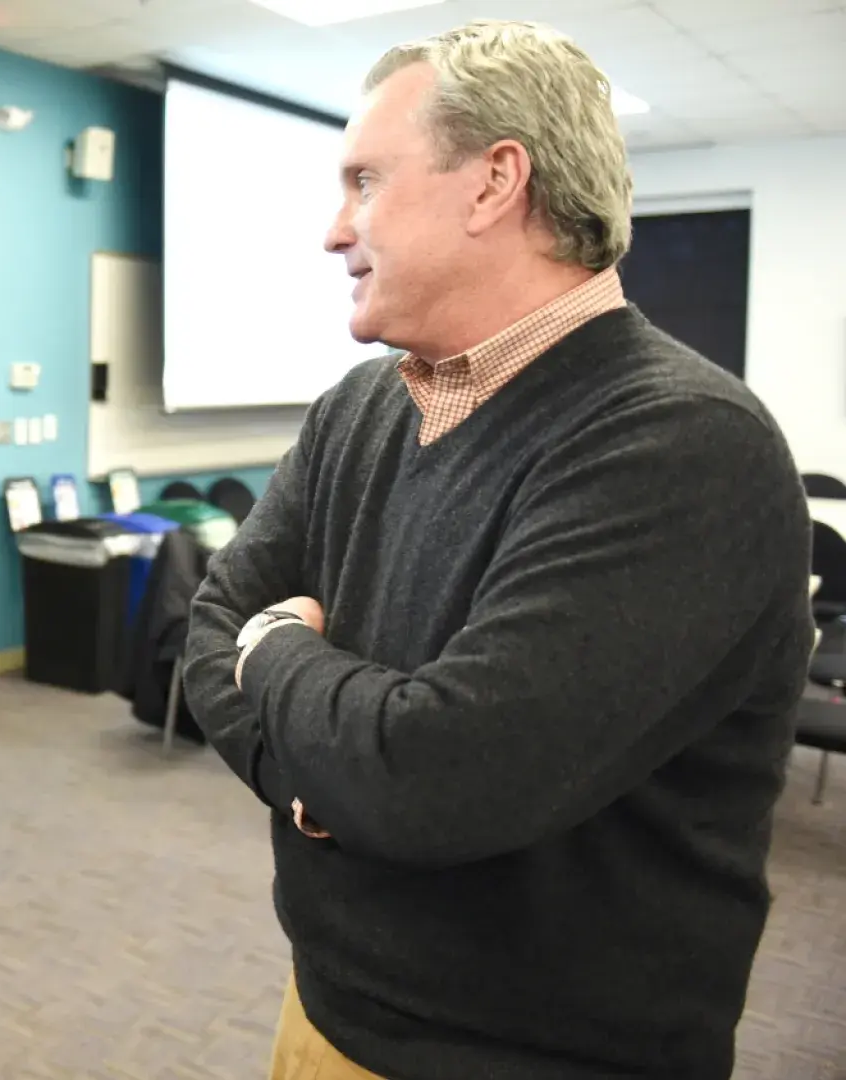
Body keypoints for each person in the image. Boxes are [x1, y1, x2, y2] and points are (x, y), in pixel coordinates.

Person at [181, 20, 812, 1080]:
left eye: (365, 182)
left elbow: (435, 779)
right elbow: (207, 627)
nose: (334, 231)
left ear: (493, 184)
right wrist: (319, 780)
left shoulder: (682, 446)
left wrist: (278, 656)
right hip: (325, 1007)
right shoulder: (357, 411)